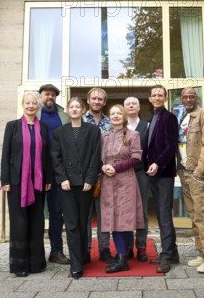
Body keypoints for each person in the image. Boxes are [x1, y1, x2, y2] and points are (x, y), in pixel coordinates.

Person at [0, 91, 53, 278]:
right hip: (16, 183)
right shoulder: (12, 127)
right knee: (19, 223)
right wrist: (4, 180)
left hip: (38, 183)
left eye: (34, 103)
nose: (31, 106)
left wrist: (48, 179)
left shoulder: (44, 128)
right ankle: (19, 264)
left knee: (37, 222)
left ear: (38, 106)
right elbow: (5, 154)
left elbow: (47, 156)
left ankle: (36, 263)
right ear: (23, 105)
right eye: (27, 103)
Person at [52, 97, 101, 279]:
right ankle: (76, 265)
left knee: (82, 223)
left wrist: (90, 178)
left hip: (85, 184)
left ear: (83, 110)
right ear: (67, 110)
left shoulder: (93, 131)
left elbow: (95, 156)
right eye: (71, 107)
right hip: (66, 185)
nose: (74, 109)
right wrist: (62, 178)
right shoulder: (59, 132)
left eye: (77, 107)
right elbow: (55, 158)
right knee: (72, 223)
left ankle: (81, 256)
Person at [176, 87, 204, 274]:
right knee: (193, 214)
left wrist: (200, 169)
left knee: (202, 214)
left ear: (197, 98)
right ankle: (201, 252)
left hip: (196, 172)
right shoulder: (183, 117)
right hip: (183, 172)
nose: (187, 99)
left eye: (191, 96)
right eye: (184, 97)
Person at [100, 105, 144, 273]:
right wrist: (103, 167)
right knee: (114, 219)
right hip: (108, 181)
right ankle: (123, 255)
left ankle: (122, 258)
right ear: (109, 117)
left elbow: (137, 157)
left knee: (123, 219)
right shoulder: (104, 136)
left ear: (124, 116)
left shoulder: (134, 135)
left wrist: (116, 168)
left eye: (119, 113)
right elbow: (98, 158)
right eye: (113, 114)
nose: (116, 116)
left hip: (125, 181)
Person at [146, 85, 179, 273]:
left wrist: (157, 163)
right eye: (154, 95)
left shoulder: (169, 117)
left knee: (165, 215)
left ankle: (166, 257)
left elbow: (171, 146)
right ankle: (173, 252)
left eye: (160, 95)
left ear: (165, 98)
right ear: (150, 99)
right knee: (160, 213)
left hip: (164, 173)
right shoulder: (152, 118)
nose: (157, 98)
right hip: (153, 173)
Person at [37, 83, 70, 265]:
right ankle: (36, 251)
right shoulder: (34, 114)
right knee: (36, 213)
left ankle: (56, 251)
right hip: (37, 171)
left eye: (53, 95)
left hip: (58, 171)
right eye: (46, 94)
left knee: (57, 213)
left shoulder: (63, 116)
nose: (49, 97)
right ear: (40, 96)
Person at [83, 87, 113, 263]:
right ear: (88, 100)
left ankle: (104, 249)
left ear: (104, 102)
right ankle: (86, 250)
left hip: (104, 176)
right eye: (93, 98)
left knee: (104, 214)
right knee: (85, 215)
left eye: (100, 99)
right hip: (84, 175)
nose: (96, 101)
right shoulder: (79, 119)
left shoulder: (110, 123)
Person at [124, 96, 150, 262]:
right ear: (124, 108)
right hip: (123, 174)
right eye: (128, 104)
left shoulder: (146, 126)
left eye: (134, 103)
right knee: (125, 211)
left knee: (142, 211)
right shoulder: (119, 127)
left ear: (139, 107)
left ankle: (141, 247)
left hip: (141, 173)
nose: (131, 106)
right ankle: (126, 247)